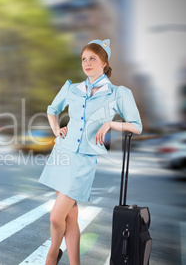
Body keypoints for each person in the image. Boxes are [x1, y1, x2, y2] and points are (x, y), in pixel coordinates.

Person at [38, 39, 142, 265]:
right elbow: (52, 110)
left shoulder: (118, 93)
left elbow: (136, 125)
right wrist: (57, 130)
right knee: (70, 216)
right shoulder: (72, 88)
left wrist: (110, 124)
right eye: (84, 59)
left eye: (92, 58)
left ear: (104, 63)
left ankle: (52, 253)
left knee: (56, 217)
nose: (87, 63)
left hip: (84, 160)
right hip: (63, 154)